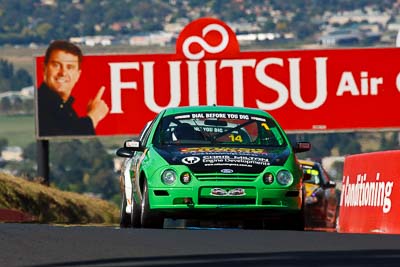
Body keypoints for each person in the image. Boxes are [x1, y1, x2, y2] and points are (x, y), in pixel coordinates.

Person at [37, 40, 109, 136]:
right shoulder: (39, 104)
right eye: (56, 65)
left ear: (78, 75)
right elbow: (62, 136)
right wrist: (93, 117)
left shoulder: (66, 109)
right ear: (44, 69)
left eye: (70, 67)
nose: (63, 73)